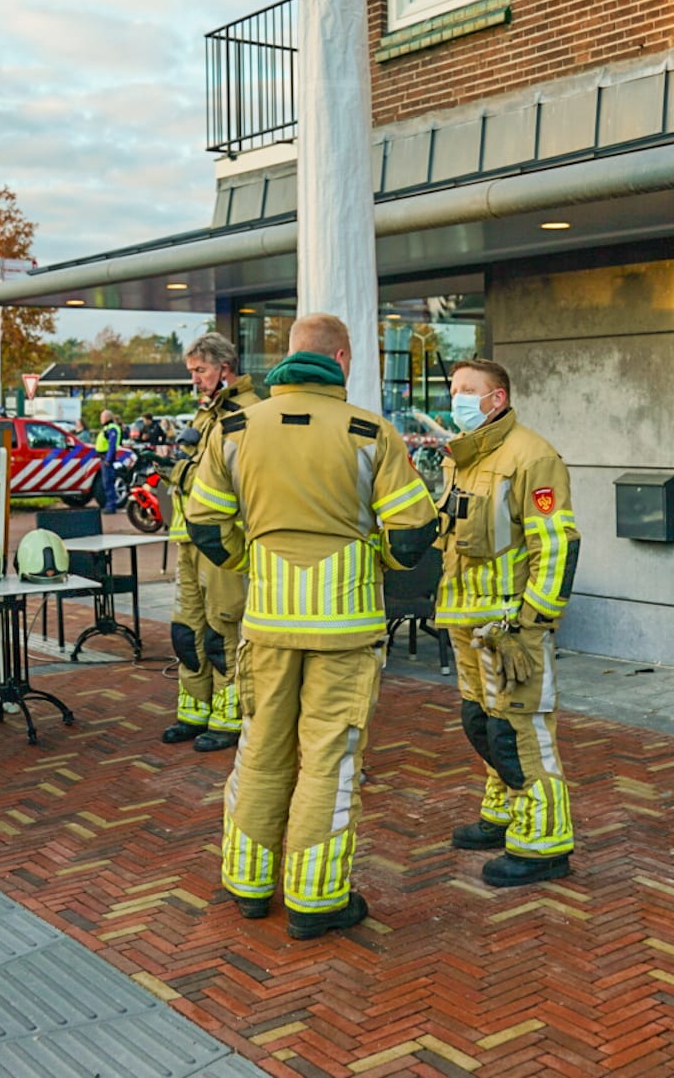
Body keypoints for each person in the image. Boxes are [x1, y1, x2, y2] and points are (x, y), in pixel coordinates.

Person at [186, 313, 437, 939]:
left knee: (261, 749)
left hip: (265, 625)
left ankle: (247, 885)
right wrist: (372, 556)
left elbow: (205, 524)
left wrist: (254, 559)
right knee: (329, 758)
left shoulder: (237, 427)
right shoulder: (368, 431)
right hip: (345, 629)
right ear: (343, 359)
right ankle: (315, 900)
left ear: (288, 356)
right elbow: (413, 532)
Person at [434, 359, 581, 887]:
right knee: (483, 725)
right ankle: (502, 814)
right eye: (454, 389)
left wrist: (532, 620)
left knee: (519, 731)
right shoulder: (461, 457)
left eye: (468, 390)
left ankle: (544, 845)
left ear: (497, 399)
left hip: (508, 626)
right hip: (465, 620)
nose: (457, 398)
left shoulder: (532, 456)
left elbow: (557, 543)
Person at [162, 333, 260, 752]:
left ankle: (229, 717)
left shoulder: (249, 414)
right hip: (188, 536)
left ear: (224, 367)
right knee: (187, 630)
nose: (195, 380)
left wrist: (182, 474)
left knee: (223, 630)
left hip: (222, 540)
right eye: (192, 372)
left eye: (200, 371)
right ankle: (194, 711)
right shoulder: (209, 413)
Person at [94, 410, 123, 513]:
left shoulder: (112, 429)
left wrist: (108, 459)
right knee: (106, 482)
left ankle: (111, 506)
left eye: (102, 417)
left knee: (108, 482)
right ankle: (109, 505)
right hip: (104, 457)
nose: (100, 419)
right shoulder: (107, 428)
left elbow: (112, 445)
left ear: (107, 418)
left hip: (107, 457)